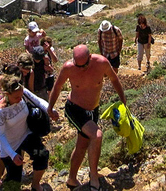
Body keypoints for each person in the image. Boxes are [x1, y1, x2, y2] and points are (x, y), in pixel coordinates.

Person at [48, 45, 127, 191]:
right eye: (78, 65)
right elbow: (57, 87)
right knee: (97, 136)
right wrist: (50, 108)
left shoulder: (101, 62)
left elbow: (114, 80)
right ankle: (94, 178)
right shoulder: (68, 68)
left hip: (93, 110)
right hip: (75, 109)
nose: (81, 68)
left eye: (84, 65)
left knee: (83, 144)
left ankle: (71, 179)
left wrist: (123, 101)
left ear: (90, 58)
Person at [0, 74, 50, 191]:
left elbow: (37, 100)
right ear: (7, 94)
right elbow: (0, 135)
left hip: (26, 135)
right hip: (10, 145)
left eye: (21, 96)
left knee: (42, 155)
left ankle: (36, 185)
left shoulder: (21, 92)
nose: (20, 99)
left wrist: (50, 110)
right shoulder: (1, 111)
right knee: (14, 182)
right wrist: (13, 155)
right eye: (16, 98)